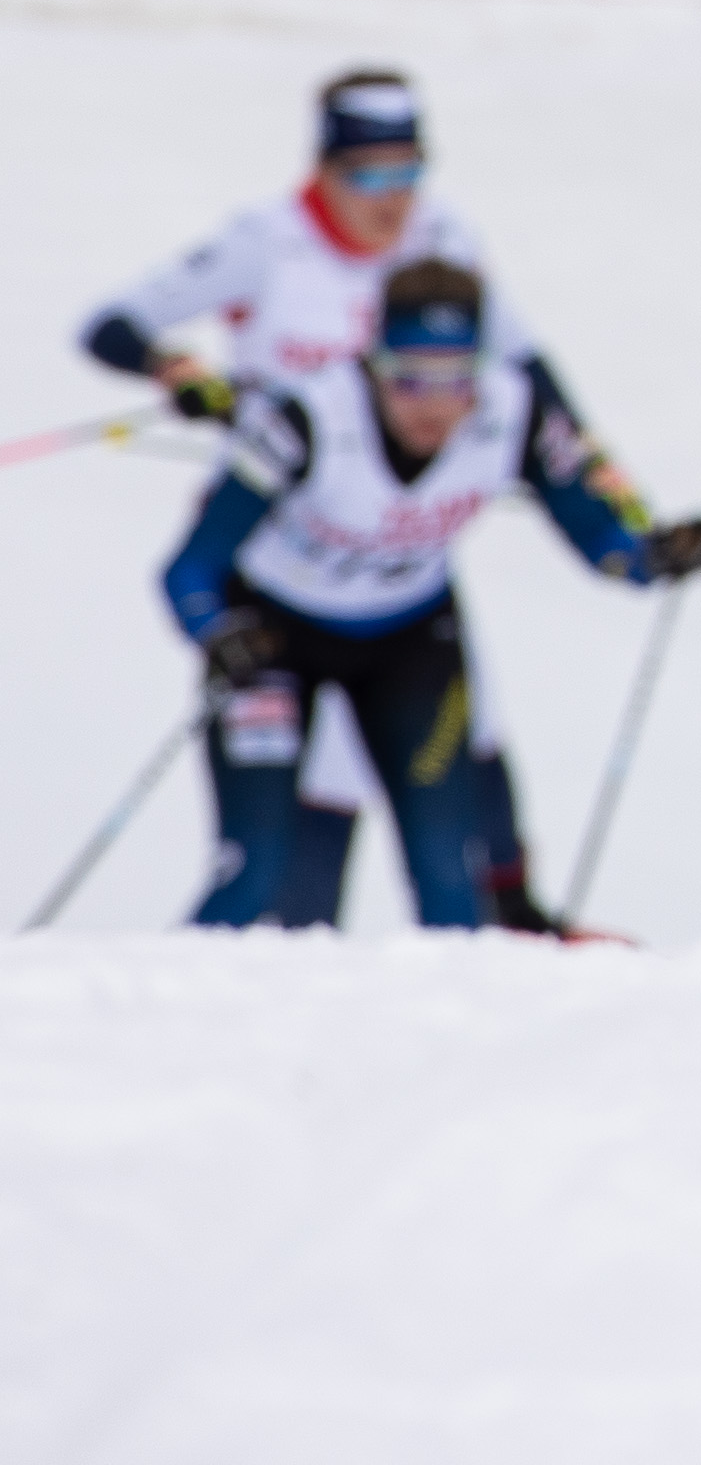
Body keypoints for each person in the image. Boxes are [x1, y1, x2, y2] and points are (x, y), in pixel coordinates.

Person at [81, 70, 589, 929]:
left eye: (408, 170)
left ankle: (516, 921)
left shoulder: (445, 239)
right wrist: (179, 371)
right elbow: (112, 325)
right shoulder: (264, 242)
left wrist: (617, 504)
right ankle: (281, 953)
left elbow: (535, 385)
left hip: (400, 559)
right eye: (368, 174)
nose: (392, 198)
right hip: (283, 543)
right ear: (323, 168)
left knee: (465, 748)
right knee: (290, 829)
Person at [162, 259, 701, 930]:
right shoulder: (307, 417)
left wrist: (656, 556)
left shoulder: (512, 411)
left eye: (457, 380)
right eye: (410, 378)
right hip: (275, 640)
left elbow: (598, 535)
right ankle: (157, 995)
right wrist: (215, 630)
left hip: (409, 643)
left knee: (451, 878)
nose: (433, 405)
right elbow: (189, 567)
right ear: (374, 363)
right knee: (255, 874)